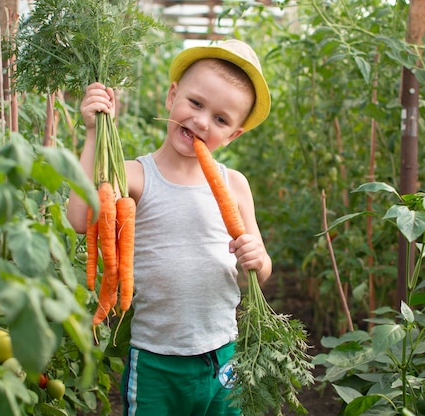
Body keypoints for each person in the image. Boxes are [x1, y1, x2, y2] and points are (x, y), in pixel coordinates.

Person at [66, 39, 273, 416]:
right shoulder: (134, 175)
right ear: (172, 96)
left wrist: (258, 259)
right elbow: (80, 218)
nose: (201, 121)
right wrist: (94, 132)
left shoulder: (235, 185)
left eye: (221, 119)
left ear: (233, 135)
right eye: (195, 103)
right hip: (157, 359)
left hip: (223, 355)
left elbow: (262, 263)